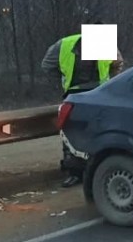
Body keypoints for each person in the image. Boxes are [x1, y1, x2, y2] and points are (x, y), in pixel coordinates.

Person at [41, 31, 123, 187]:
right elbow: (118, 65)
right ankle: (81, 171)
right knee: (80, 132)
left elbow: (117, 64)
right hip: (89, 94)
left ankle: (80, 172)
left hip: (93, 94)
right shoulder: (66, 45)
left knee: (77, 133)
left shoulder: (70, 44)